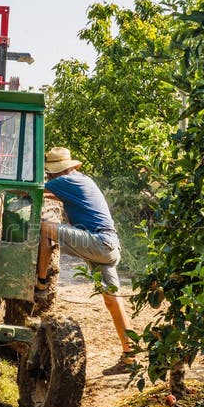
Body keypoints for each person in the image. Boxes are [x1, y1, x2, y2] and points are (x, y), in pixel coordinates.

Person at [36, 146, 133, 359]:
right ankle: (129, 351)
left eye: (50, 172)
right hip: (110, 245)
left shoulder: (65, 181)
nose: (50, 175)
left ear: (56, 171)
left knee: (45, 229)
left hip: (98, 242)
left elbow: (34, 189)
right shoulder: (81, 179)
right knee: (112, 298)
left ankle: (41, 285)